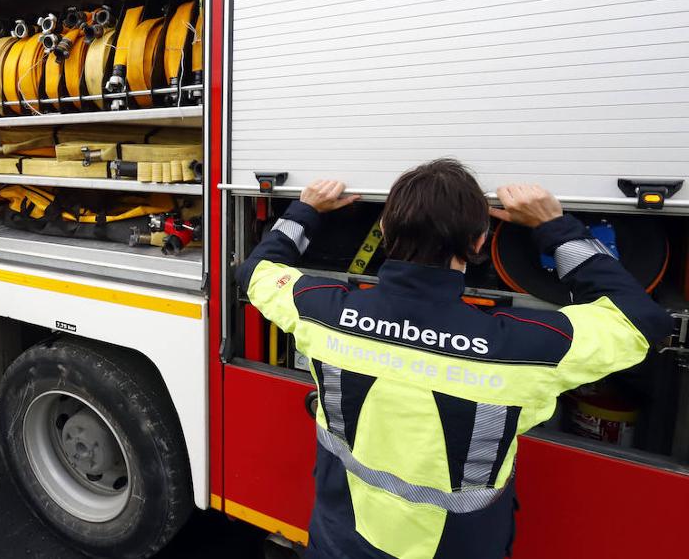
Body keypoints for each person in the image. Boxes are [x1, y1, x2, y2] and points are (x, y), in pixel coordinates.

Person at [238, 159, 673, 559]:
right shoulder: (526, 347)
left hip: (338, 538)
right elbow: (640, 320)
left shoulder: (320, 309)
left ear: (385, 233)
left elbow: (256, 270)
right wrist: (555, 228)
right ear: (480, 242)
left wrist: (305, 209)